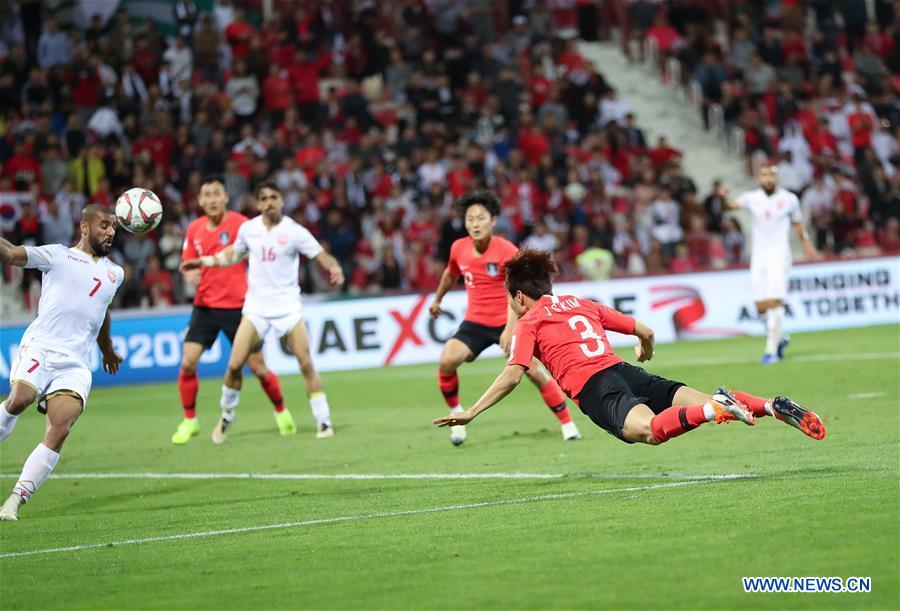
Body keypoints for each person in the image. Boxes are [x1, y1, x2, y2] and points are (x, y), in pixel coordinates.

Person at [434, 250, 826, 444]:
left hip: (597, 387)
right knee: (698, 400)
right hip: (624, 370)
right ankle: (771, 405)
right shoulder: (580, 303)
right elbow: (645, 330)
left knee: (649, 432)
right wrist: (644, 349)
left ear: (520, 297)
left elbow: (513, 375)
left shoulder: (528, 322)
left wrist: (471, 411)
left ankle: (714, 410)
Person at [181, 182, 344, 442]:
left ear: (281, 201)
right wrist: (203, 261)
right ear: (258, 204)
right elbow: (231, 255)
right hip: (256, 308)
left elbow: (321, 255)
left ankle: (323, 420)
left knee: (305, 363)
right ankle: (227, 416)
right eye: (264, 198)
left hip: (288, 308)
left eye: (273, 197)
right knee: (235, 365)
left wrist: (334, 268)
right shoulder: (249, 230)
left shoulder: (294, 231)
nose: (269, 202)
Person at [0, 205, 124, 520]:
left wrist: (107, 349)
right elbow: (12, 254)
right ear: (84, 227)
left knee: (61, 427)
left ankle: (15, 500)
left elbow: (102, 310)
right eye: (104, 225)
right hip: (41, 347)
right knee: (19, 400)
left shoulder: (115, 273)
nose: (110, 232)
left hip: (76, 362)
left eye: (113, 226)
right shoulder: (57, 255)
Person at [428, 190, 581, 446]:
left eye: (481, 218)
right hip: (475, 322)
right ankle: (457, 418)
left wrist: (511, 327)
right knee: (447, 361)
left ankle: (567, 423)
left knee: (533, 371)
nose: (475, 224)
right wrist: (437, 300)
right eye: (470, 219)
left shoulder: (507, 250)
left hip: (508, 319)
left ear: (493, 220)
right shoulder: (458, 248)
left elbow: (517, 291)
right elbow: (450, 274)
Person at [172, 176, 295, 445]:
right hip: (205, 306)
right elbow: (188, 262)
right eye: (207, 194)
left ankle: (281, 410)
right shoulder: (194, 229)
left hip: (240, 307)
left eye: (217, 193)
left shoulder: (243, 225)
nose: (212, 199)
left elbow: (262, 252)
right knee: (188, 362)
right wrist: (190, 275)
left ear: (226, 197)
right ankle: (190, 420)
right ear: (199, 200)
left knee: (259, 368)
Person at [725, 165, 817, 364]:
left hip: (779, 254)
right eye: (764, 175)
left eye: (771, 175)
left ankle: (771, 350)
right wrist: (724, 197)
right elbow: (730, 206)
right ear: (759, 178)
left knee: (775, 301)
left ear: (777, 178)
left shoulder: (789, 199)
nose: (767, 179)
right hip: (758, 255)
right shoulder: (752, 198)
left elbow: (797, 223)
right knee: (760, 306)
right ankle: (780, 337)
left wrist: (806, 242)